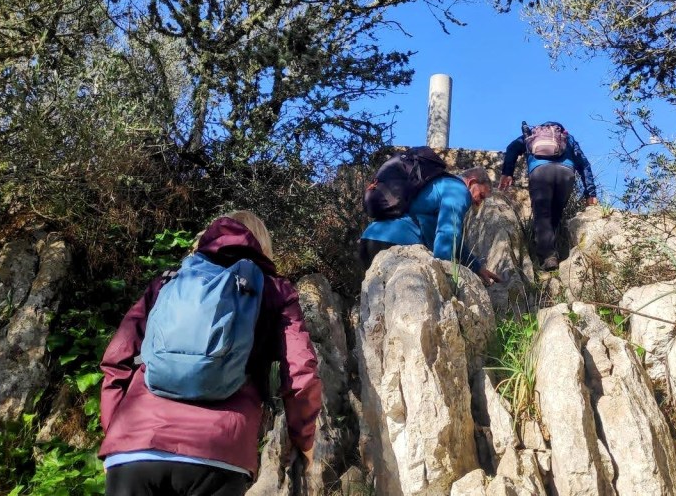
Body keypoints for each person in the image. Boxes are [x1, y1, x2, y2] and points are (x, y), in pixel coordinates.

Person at [99, 211, 322, 496]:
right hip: (219, 452)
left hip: (136, 446)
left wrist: (114, 436)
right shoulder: (273, 291)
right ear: (263, 244)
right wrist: (304, 440)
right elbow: (301, 371)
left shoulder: (169, 280)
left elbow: (117, 359)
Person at [359, 166, 502, 286]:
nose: (479, 203)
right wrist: (443, 273)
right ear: (472, 182)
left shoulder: (439, 184)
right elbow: (449, 231)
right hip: (396, 246)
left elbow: (452, 239)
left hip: (370, 240)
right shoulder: (458, 190)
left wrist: (477, 267)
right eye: (481, 196)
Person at [499, 121, 598, 271]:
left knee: (542, 215)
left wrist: (507, 173)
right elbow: (584, 164)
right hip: (566, 174)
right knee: (556, 213)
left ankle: (548, 257)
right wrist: (590, 193)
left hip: (540, 173)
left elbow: (512, 148)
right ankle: (556, 248)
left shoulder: (530, 134)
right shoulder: (567, 138)